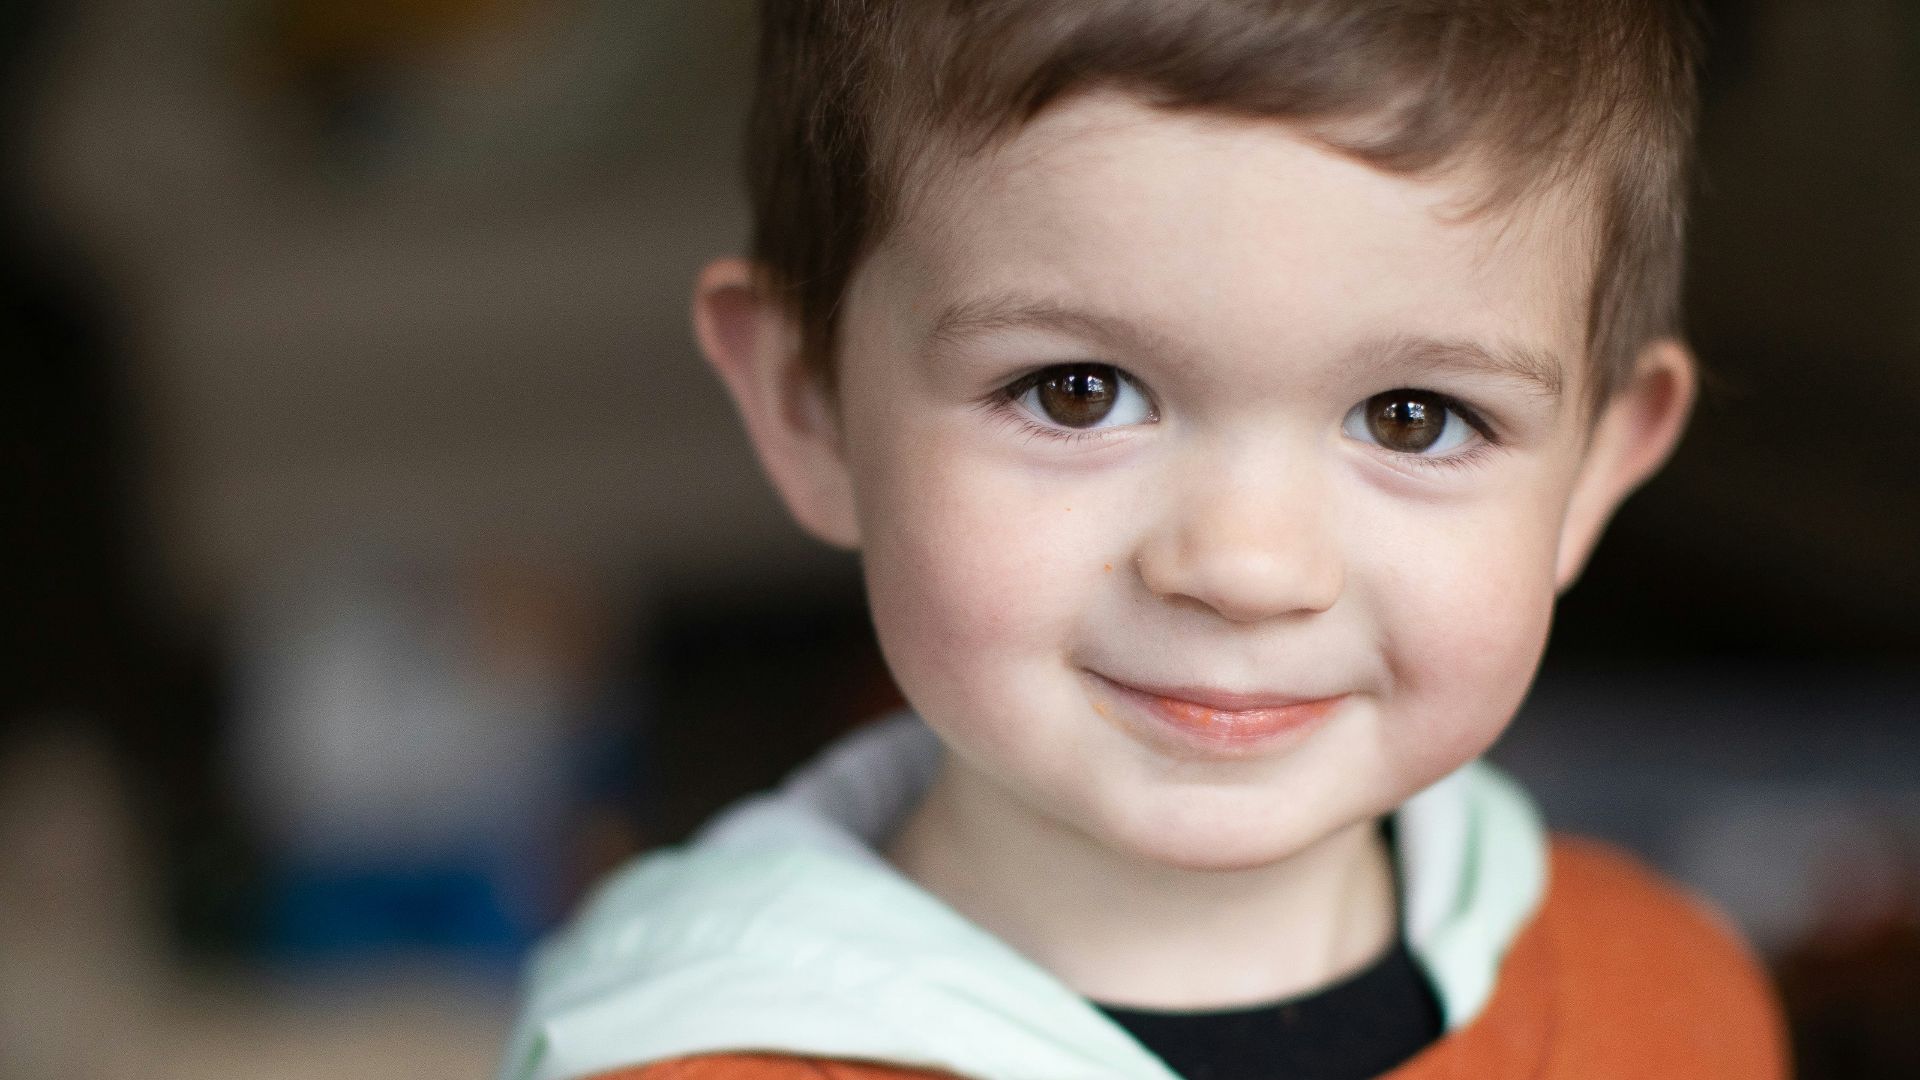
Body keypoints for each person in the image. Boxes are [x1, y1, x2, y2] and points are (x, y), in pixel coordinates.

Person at [499, 1, 1790, 1077]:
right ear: (808, 403)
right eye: (1077, 391)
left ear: (1594, 474)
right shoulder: (683, 1060)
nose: (1244, 567)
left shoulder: (1675, 1002)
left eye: (1414, 418)